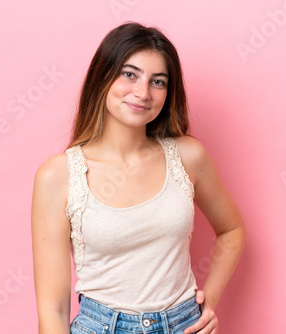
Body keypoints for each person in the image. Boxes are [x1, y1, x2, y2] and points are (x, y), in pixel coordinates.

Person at [31, 22, 246, 334]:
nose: (143, 92)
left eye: (158, 81)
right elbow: (53, 309)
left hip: (184, 324)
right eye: (129, 74)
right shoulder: (58, 175)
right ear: (102, 76)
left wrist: (207, 300)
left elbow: (232, 230)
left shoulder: (188, 156)